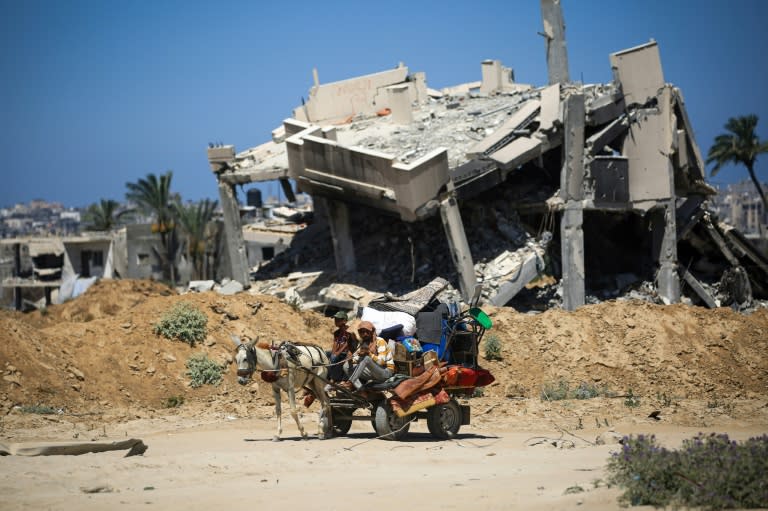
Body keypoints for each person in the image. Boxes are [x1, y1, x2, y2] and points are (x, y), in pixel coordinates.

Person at [346, 321, 394, 390]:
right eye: (362, 332)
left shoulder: (380, 341)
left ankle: (350, 382)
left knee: (366, 358)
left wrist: (368, 353)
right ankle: (361, 389)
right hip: (373, 372)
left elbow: (381, 362)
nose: (365, 334)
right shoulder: (362, 344)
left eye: (367, 332)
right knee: (346, 366)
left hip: (385, 372)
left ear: (372, 332)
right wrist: (350, 360)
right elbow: (356, 358)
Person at [326, 311, 357, 384]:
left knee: (338, 360)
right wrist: (333, 353)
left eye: (338, 320)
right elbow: (335, 343)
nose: (335, 321)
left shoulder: (349, 331)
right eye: (335, 319)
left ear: (344, 320)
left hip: (347, 351)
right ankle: (325, 375)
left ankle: (333, 378)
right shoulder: (336, 332)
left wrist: (337, 353)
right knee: (325, 354)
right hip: (339, 351)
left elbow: (347, 343)